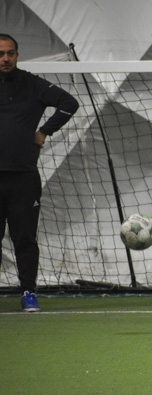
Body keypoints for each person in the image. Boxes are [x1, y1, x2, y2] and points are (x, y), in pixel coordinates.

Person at [0, 34, 79, 312]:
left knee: (25, 239)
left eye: (10, 53)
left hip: (23, 177)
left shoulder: (32, 84)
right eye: (0, 53)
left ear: (17, 55)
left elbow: (69, 103)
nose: (5, 58)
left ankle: (28, 293)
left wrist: (45, 131)